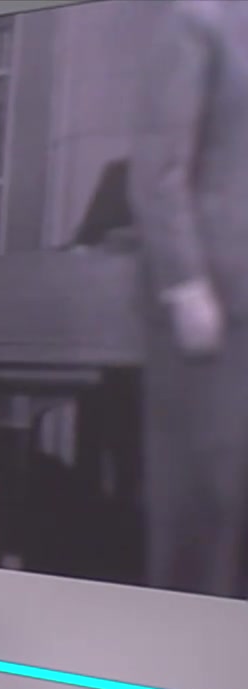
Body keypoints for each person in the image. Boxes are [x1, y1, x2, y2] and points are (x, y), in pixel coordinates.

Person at [129, 0, 248, 599]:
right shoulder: (197, 21)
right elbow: (158, 170)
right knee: (203, 521)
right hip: (213, 313)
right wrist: (186, 283)